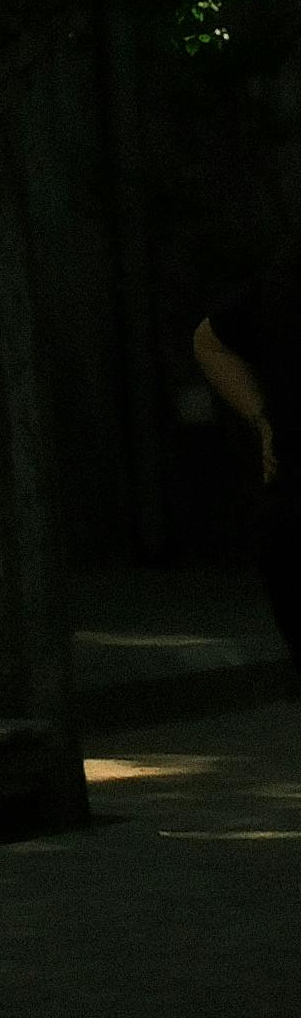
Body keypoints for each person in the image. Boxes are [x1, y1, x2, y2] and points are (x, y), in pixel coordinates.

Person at [184, 194, 301, 681]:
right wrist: (263, 419)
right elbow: (211, 340)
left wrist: (265, 421)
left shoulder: (285, 276)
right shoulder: (286, 279)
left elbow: (210, 340)